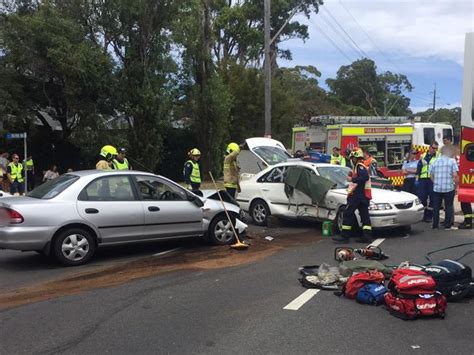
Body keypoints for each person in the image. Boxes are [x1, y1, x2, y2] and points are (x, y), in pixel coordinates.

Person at [333, 148, 372, 244]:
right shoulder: (359, 166)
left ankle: (345, 236)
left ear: (356, 157)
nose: (352, 159)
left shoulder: (360, 166)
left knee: (347, 213)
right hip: (363, 196)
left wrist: (352, 179)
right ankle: (366, 236)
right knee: (364, 216)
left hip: (358, 195)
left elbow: (364, 177)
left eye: (353, 158)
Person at [429, 145, 459, 230]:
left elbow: (431, 175)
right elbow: (455, 176)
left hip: (437, 188)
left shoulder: (435, 161)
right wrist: (455, 186)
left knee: (436, 207)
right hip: (448, 187)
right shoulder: (452, 161)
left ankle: (435, 225)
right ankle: (447, 225)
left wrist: (435, 182)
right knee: (448, 206)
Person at [416, 141, 439, 222]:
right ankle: (423, 215)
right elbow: (419, 168)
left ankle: (429, 216)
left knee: (432, 198)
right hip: (423, 179)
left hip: (432, 180)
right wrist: (417, 179)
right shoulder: (423, 155)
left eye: (436, 148)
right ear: (429, 148)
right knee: (422, 198)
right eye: (433, 148)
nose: (435, 150)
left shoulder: (437, 157)